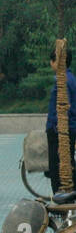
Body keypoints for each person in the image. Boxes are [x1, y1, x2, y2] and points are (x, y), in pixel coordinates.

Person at [45, 49, 76, 193]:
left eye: (52, 60)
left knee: (58, 167)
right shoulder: (70, 78)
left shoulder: (63, 81)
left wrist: (58, 129)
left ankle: (61, 198)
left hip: (61, 131)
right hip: (66, 129)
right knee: (67, 164)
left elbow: (64, 109)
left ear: (57, 62)